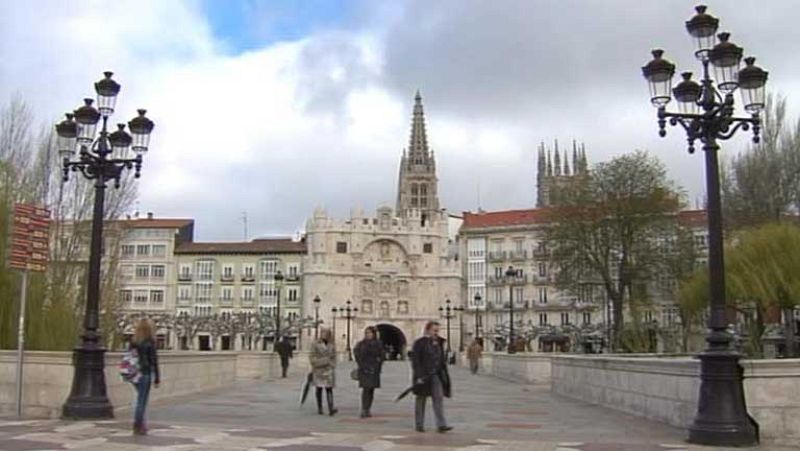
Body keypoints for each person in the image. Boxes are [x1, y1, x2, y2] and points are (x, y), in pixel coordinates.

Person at [411, 321, 452, 433]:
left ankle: (441, 424)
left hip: (436, 374)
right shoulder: (419, 343)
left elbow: (441, 360)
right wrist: (419, 375)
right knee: (421, 399)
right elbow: (416, 361)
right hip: (423, 375)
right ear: (428, 330)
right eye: (434, 330)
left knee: (438, 398)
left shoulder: (439, 342)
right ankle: (419, 424)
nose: (436, 332)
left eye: (437, 330)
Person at [130, 318, 160, 435]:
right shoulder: (150, 342)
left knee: (139, 399)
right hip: (145, 373)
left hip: (134, 373)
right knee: (142, 401)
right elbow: (154, 361)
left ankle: (141, 424)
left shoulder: (134, 341)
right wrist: (157, 378)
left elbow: (130, 357)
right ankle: (138, 425)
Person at [354, 326, 384, 418]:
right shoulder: (361, 344)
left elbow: (382, 356)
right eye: (366, 333)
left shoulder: (378, 344)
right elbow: (356, 353)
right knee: (365, 389)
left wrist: (378, 365)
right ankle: (364, 409)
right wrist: (361, 364)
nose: (368, 335)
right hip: (364, 369)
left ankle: (368, 409)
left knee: (371, 390)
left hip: (374, 369)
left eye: (370, 333)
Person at [309, 328, 338, 416]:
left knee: (329, 389)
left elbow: (334, 356)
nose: (324, 335)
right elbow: (312, 357)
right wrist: (323, 361)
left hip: (328, 370)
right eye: (322, 333)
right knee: (319, 389)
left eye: (326, 333)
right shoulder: (315, 344)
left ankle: (331, 408)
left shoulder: (331, 344)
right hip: (319, 370)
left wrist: (333, 364)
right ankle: (320, 408)